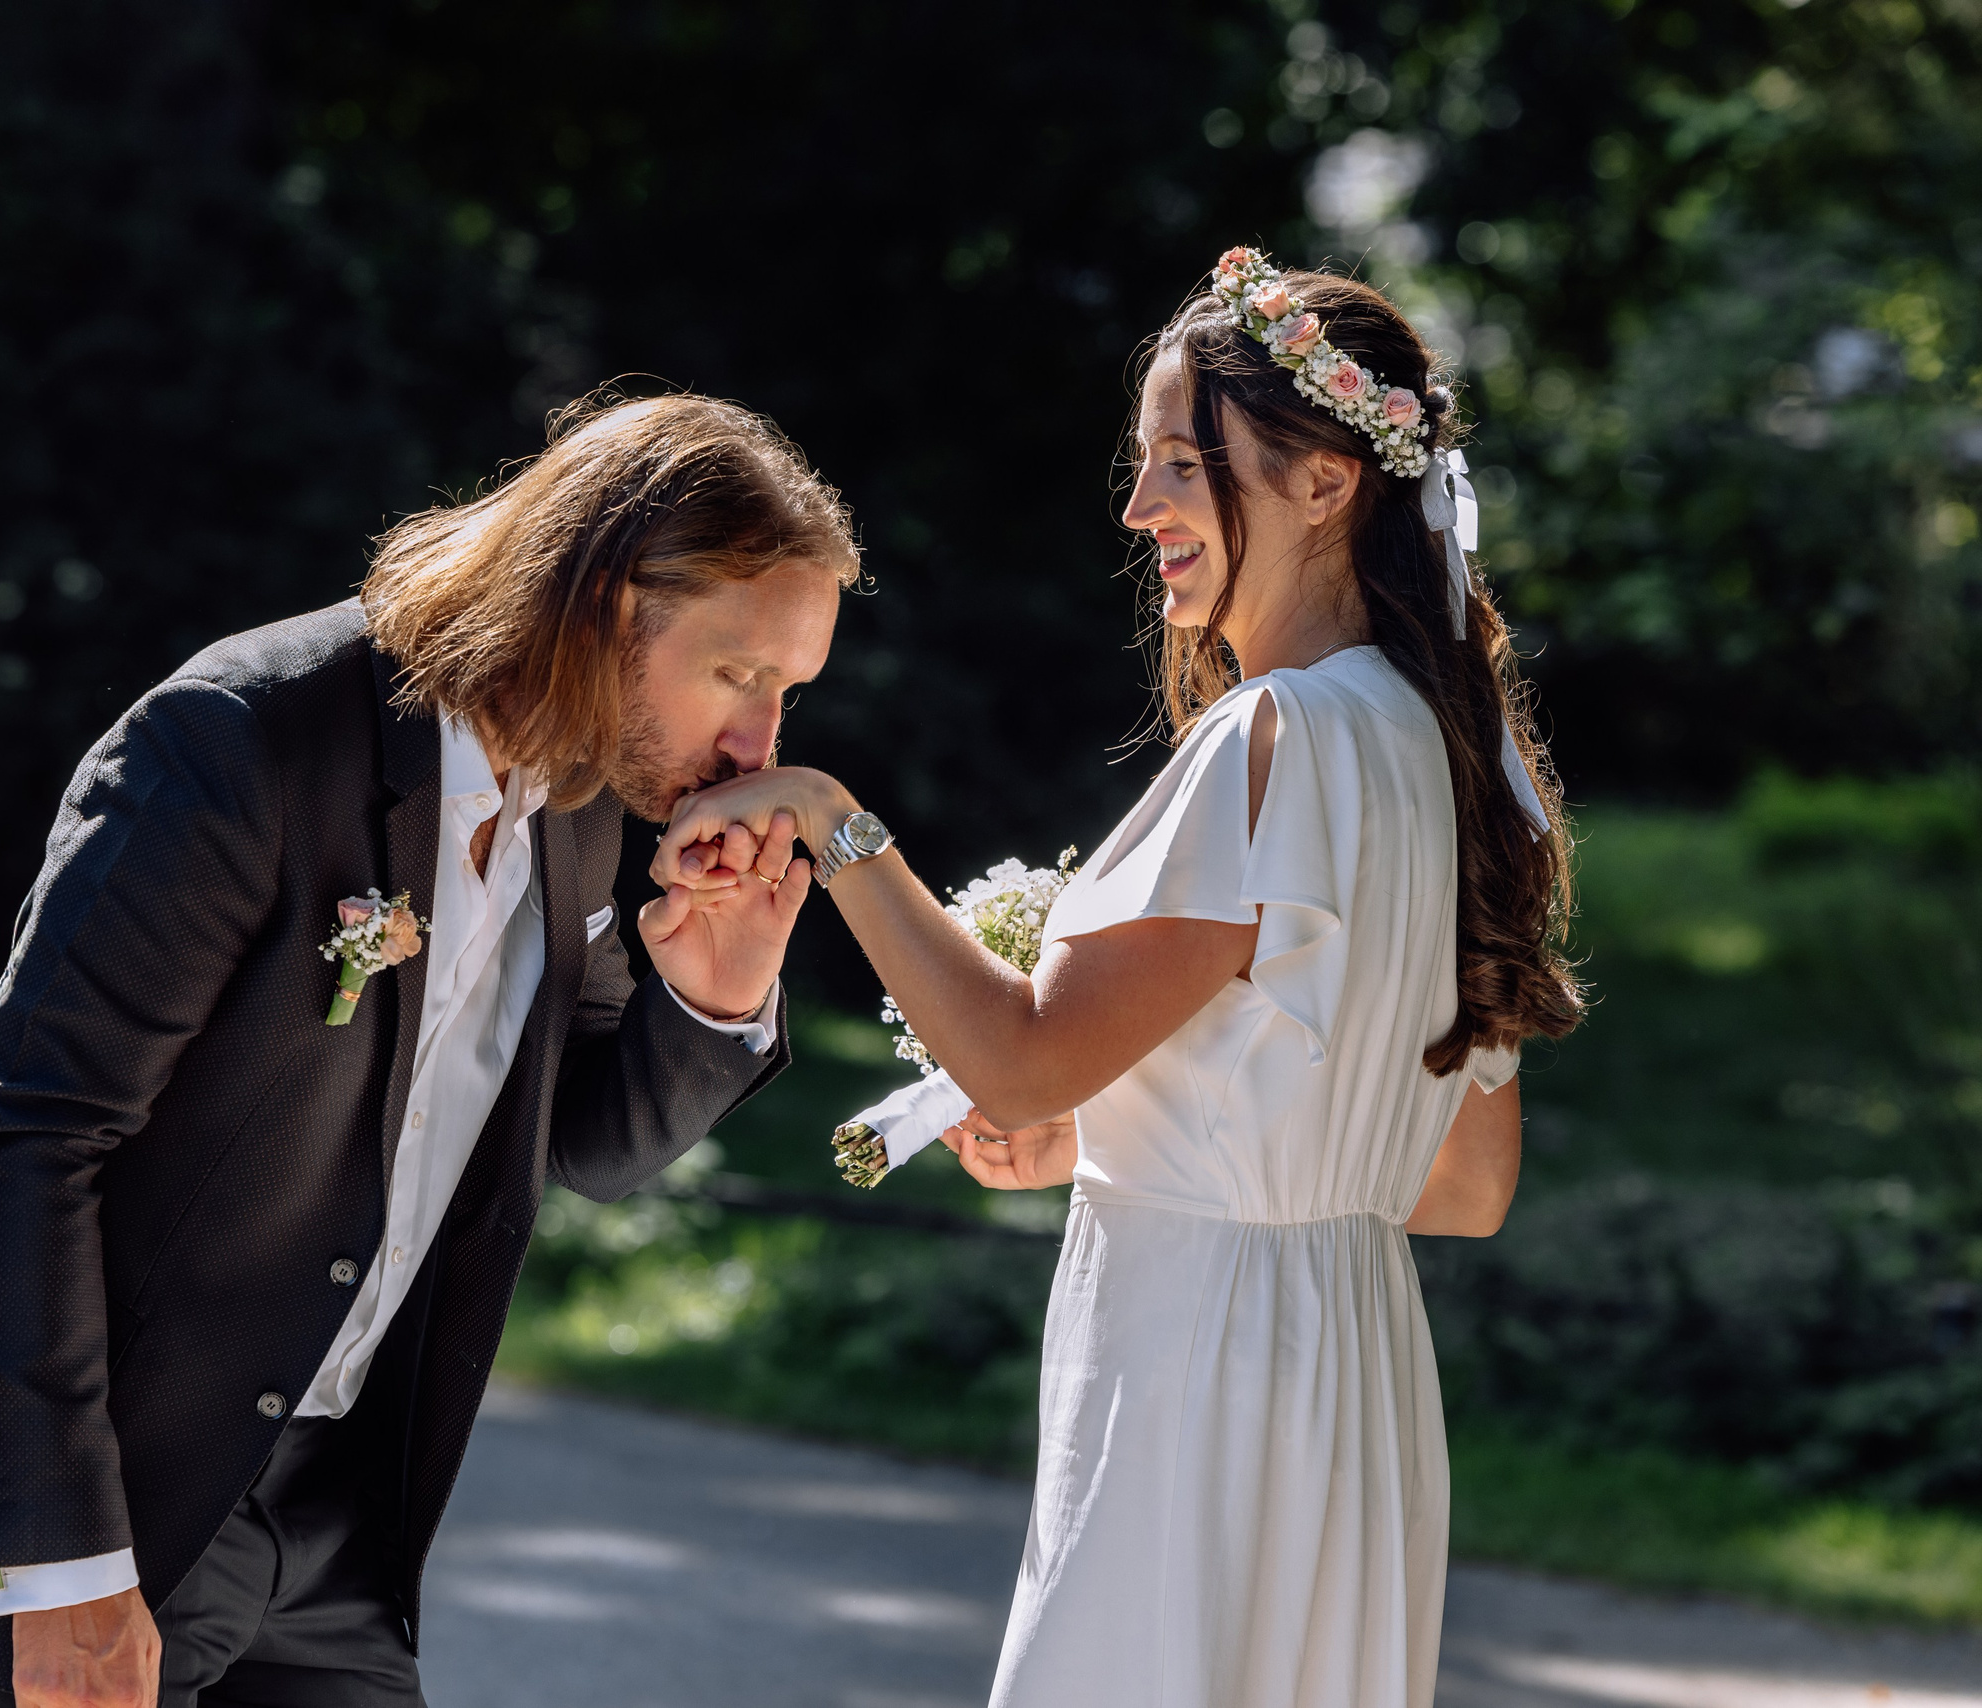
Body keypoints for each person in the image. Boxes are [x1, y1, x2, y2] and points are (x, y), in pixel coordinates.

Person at [0, 391, 854, 1708]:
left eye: (789, 693)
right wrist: (64, 1571)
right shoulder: (239, 745)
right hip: (94, 1504)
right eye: (739, 675)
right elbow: (24, 1144)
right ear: (600, 603)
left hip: (329, 1534)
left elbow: (588, 1150)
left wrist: (715, 990)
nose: (760, 746)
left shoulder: (577, 808)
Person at [652, 251, 1585, 1707]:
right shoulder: (1458, 758)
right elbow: (1461, 1186)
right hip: (1348, 1376)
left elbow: (1021, 1059)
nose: (1141, 507)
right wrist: (1115, 1137)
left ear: (1326, 481)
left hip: (1195, 1367)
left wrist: (833, 824)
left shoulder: (1270, 737)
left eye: (1177, 465)